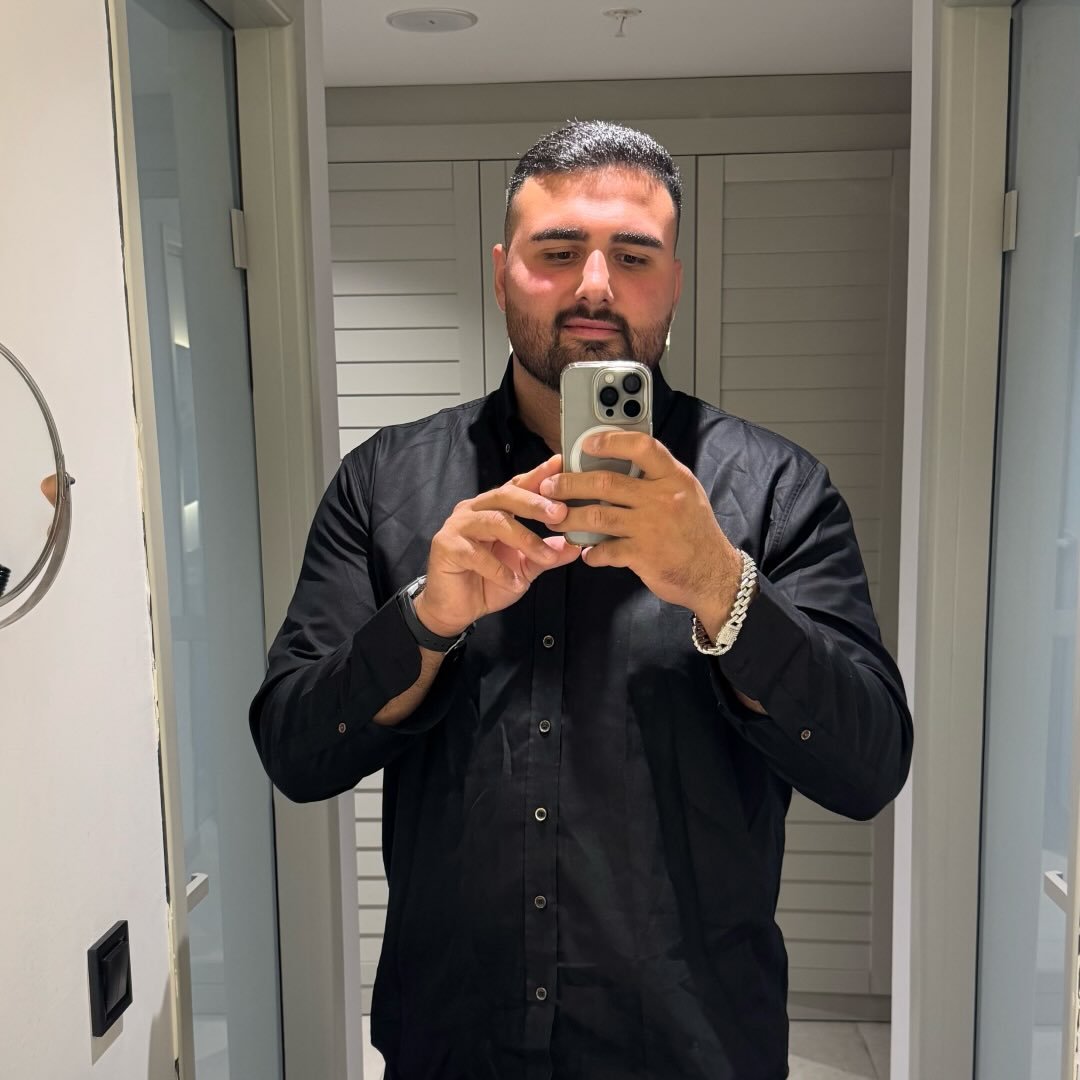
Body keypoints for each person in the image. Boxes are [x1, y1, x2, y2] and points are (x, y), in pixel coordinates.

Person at [250, 120, 913, 1080]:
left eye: (632, 256)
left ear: (673, 281)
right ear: (501, 273)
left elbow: (869, 766)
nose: (595, 286)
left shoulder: (777, 491)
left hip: (692, 1051)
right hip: (453, 1046)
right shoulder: (385, 482)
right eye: (558, 252)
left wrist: (723, 589)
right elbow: (295, 751)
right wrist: (424, 623)